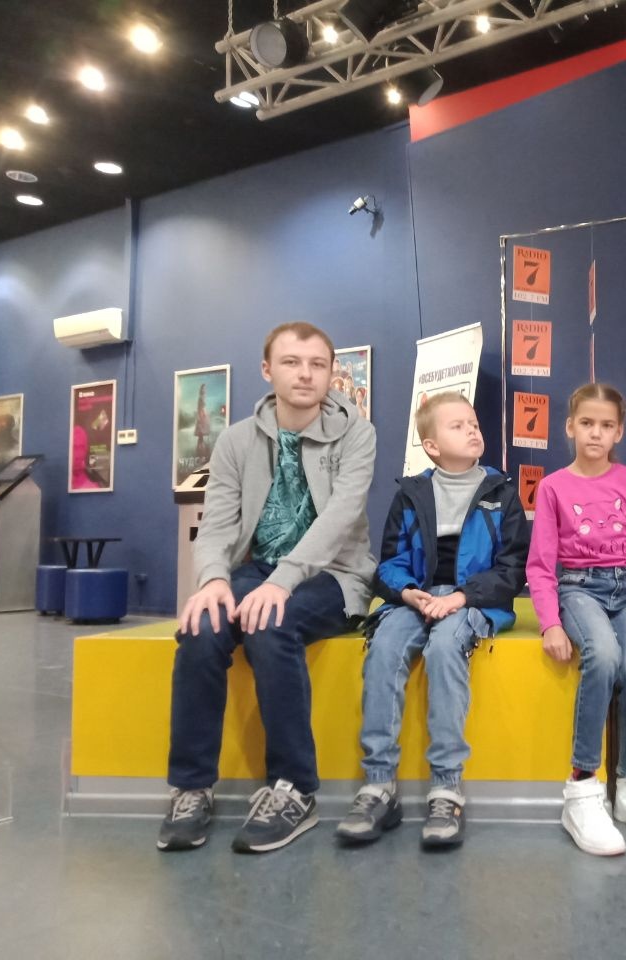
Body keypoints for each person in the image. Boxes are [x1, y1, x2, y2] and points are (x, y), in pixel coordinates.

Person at [157, 321, 377, 854]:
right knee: (202, 626)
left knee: (271, 624)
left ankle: (294, 789)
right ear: (267, 370)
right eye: (291, 362)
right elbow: (216, 526)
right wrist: (213, 581)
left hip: (334, 575)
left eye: (317, 364)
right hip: (256, 570)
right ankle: (192, 787)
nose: (305, 374)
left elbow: (340, 520)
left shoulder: (357, 433)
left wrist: (282, 583)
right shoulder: (235, 440)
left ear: (331, 373)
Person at [338, 391, 528, 849]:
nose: (472, 430)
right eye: (457, 426)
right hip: (416, 599)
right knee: (385, 648)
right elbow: (390, 562)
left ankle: (446, 788)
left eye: (473, 423)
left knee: (445, 648)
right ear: (432, 446)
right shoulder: (411, 494)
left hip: (472, 602)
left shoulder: (502, 492)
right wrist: (407, 592)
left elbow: (512, 568)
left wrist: (462, 597)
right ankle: (379, 785)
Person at [527, 383, 626, 856]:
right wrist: (550, 623)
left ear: (619, 432)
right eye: (587, 423)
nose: (595, 433)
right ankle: (582, 787)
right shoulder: (553, 487)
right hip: (579, 588)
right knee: (604, 655)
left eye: (606, 425)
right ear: (570, 427)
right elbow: (541, 566)